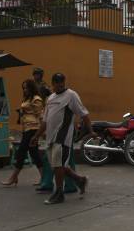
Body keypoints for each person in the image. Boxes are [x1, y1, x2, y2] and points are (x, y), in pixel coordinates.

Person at [32, 73, 92, 205]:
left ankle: (59, 193)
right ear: (52, 83)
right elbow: (45, 121)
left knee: (58, 165)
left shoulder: (71, 95)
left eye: (62, 82)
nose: (60, 84)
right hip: (50, 138)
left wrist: (90, 131)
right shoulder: (51, 98)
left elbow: (84, 113)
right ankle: (80, 180)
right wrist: (36, 136)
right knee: (57, 167)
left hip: (63, 137)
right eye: (57, 82)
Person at [1, 78, 44, 187]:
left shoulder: (36, 99)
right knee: (34, 154)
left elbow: (41, 116)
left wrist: (41, 132)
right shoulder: (27, 99)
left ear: (31, 88)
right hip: (26, 128)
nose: (25, 90)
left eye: (26, 88)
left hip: (33, 128)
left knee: (21, 152)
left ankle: (13, 177)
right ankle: (44, 177)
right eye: (23, 88)